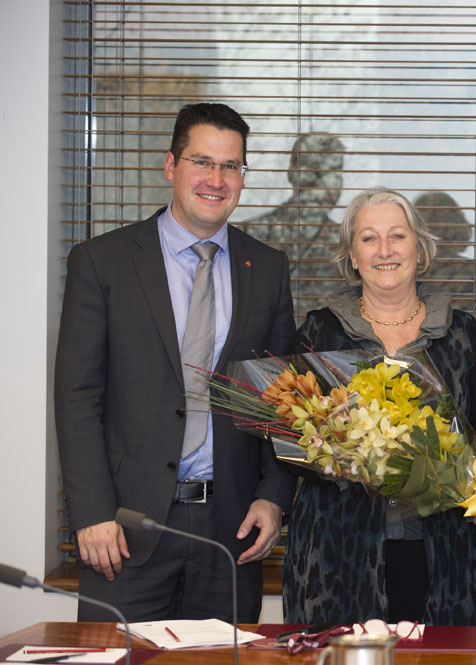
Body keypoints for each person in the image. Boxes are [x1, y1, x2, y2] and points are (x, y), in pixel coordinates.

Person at [53, 103, 297, 622]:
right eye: (202, 161)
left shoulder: (268, 268)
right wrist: (92, 513)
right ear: (171, 166)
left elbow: (282, 402)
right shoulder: (103, 262)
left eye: (231, 166)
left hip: (229, 533)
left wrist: (273, 498)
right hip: (123, 533)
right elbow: (77, 397)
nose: (217, 179)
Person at [282, 186, 476, 625]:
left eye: (398, 236)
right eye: (369, 238)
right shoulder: (320, 332)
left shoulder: (460, 332)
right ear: (352, 254)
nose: (384, 250)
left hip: (442, 547)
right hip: (337, 548)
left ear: (419, 248)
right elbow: (290, 439)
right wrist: (354, 456)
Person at [240, 132, 346, 315]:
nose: (336, 182)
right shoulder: (248, 236)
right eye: (328, 173)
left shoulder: (348, 246)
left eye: (336, 172)